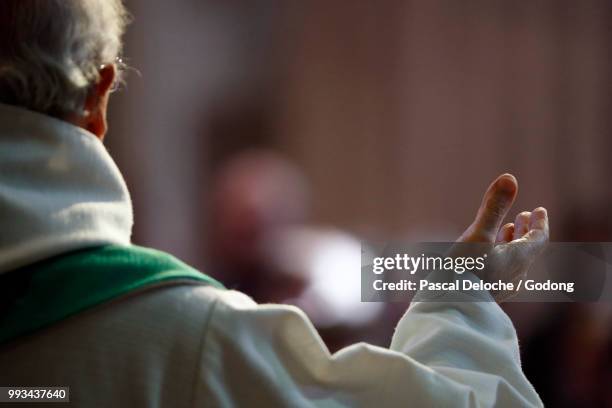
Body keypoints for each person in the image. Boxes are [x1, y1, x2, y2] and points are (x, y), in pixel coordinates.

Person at [0, 1, 548, 407]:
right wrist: (459, 301)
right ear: (99, 98)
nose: (251, 239)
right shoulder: (190, 336)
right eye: (239, 223)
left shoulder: (307, 282)